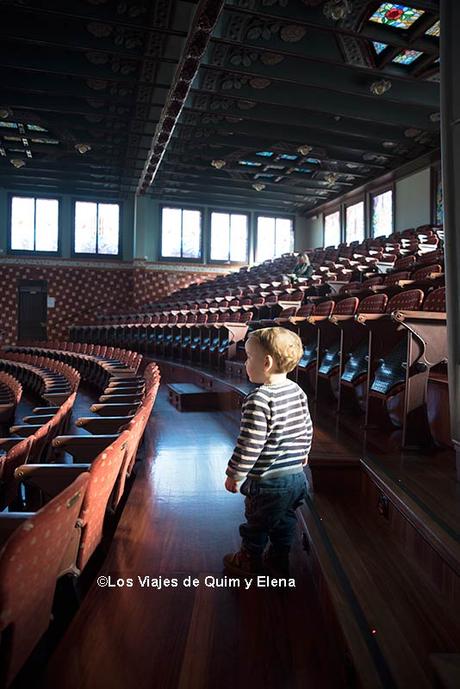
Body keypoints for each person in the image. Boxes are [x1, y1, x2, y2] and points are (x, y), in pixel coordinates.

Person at [223, 327, 313, 577]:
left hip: (269, 483)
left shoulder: (258, 400)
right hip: (296, 478)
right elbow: (306, 426)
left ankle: (249, 561)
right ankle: (279, 559)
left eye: (249, 357)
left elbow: (250, 444)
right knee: (284, 521)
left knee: (257, 525)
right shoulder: (297, 391)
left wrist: (235, 474)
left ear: (266, 362)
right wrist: (303, 453)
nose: (245, 362)